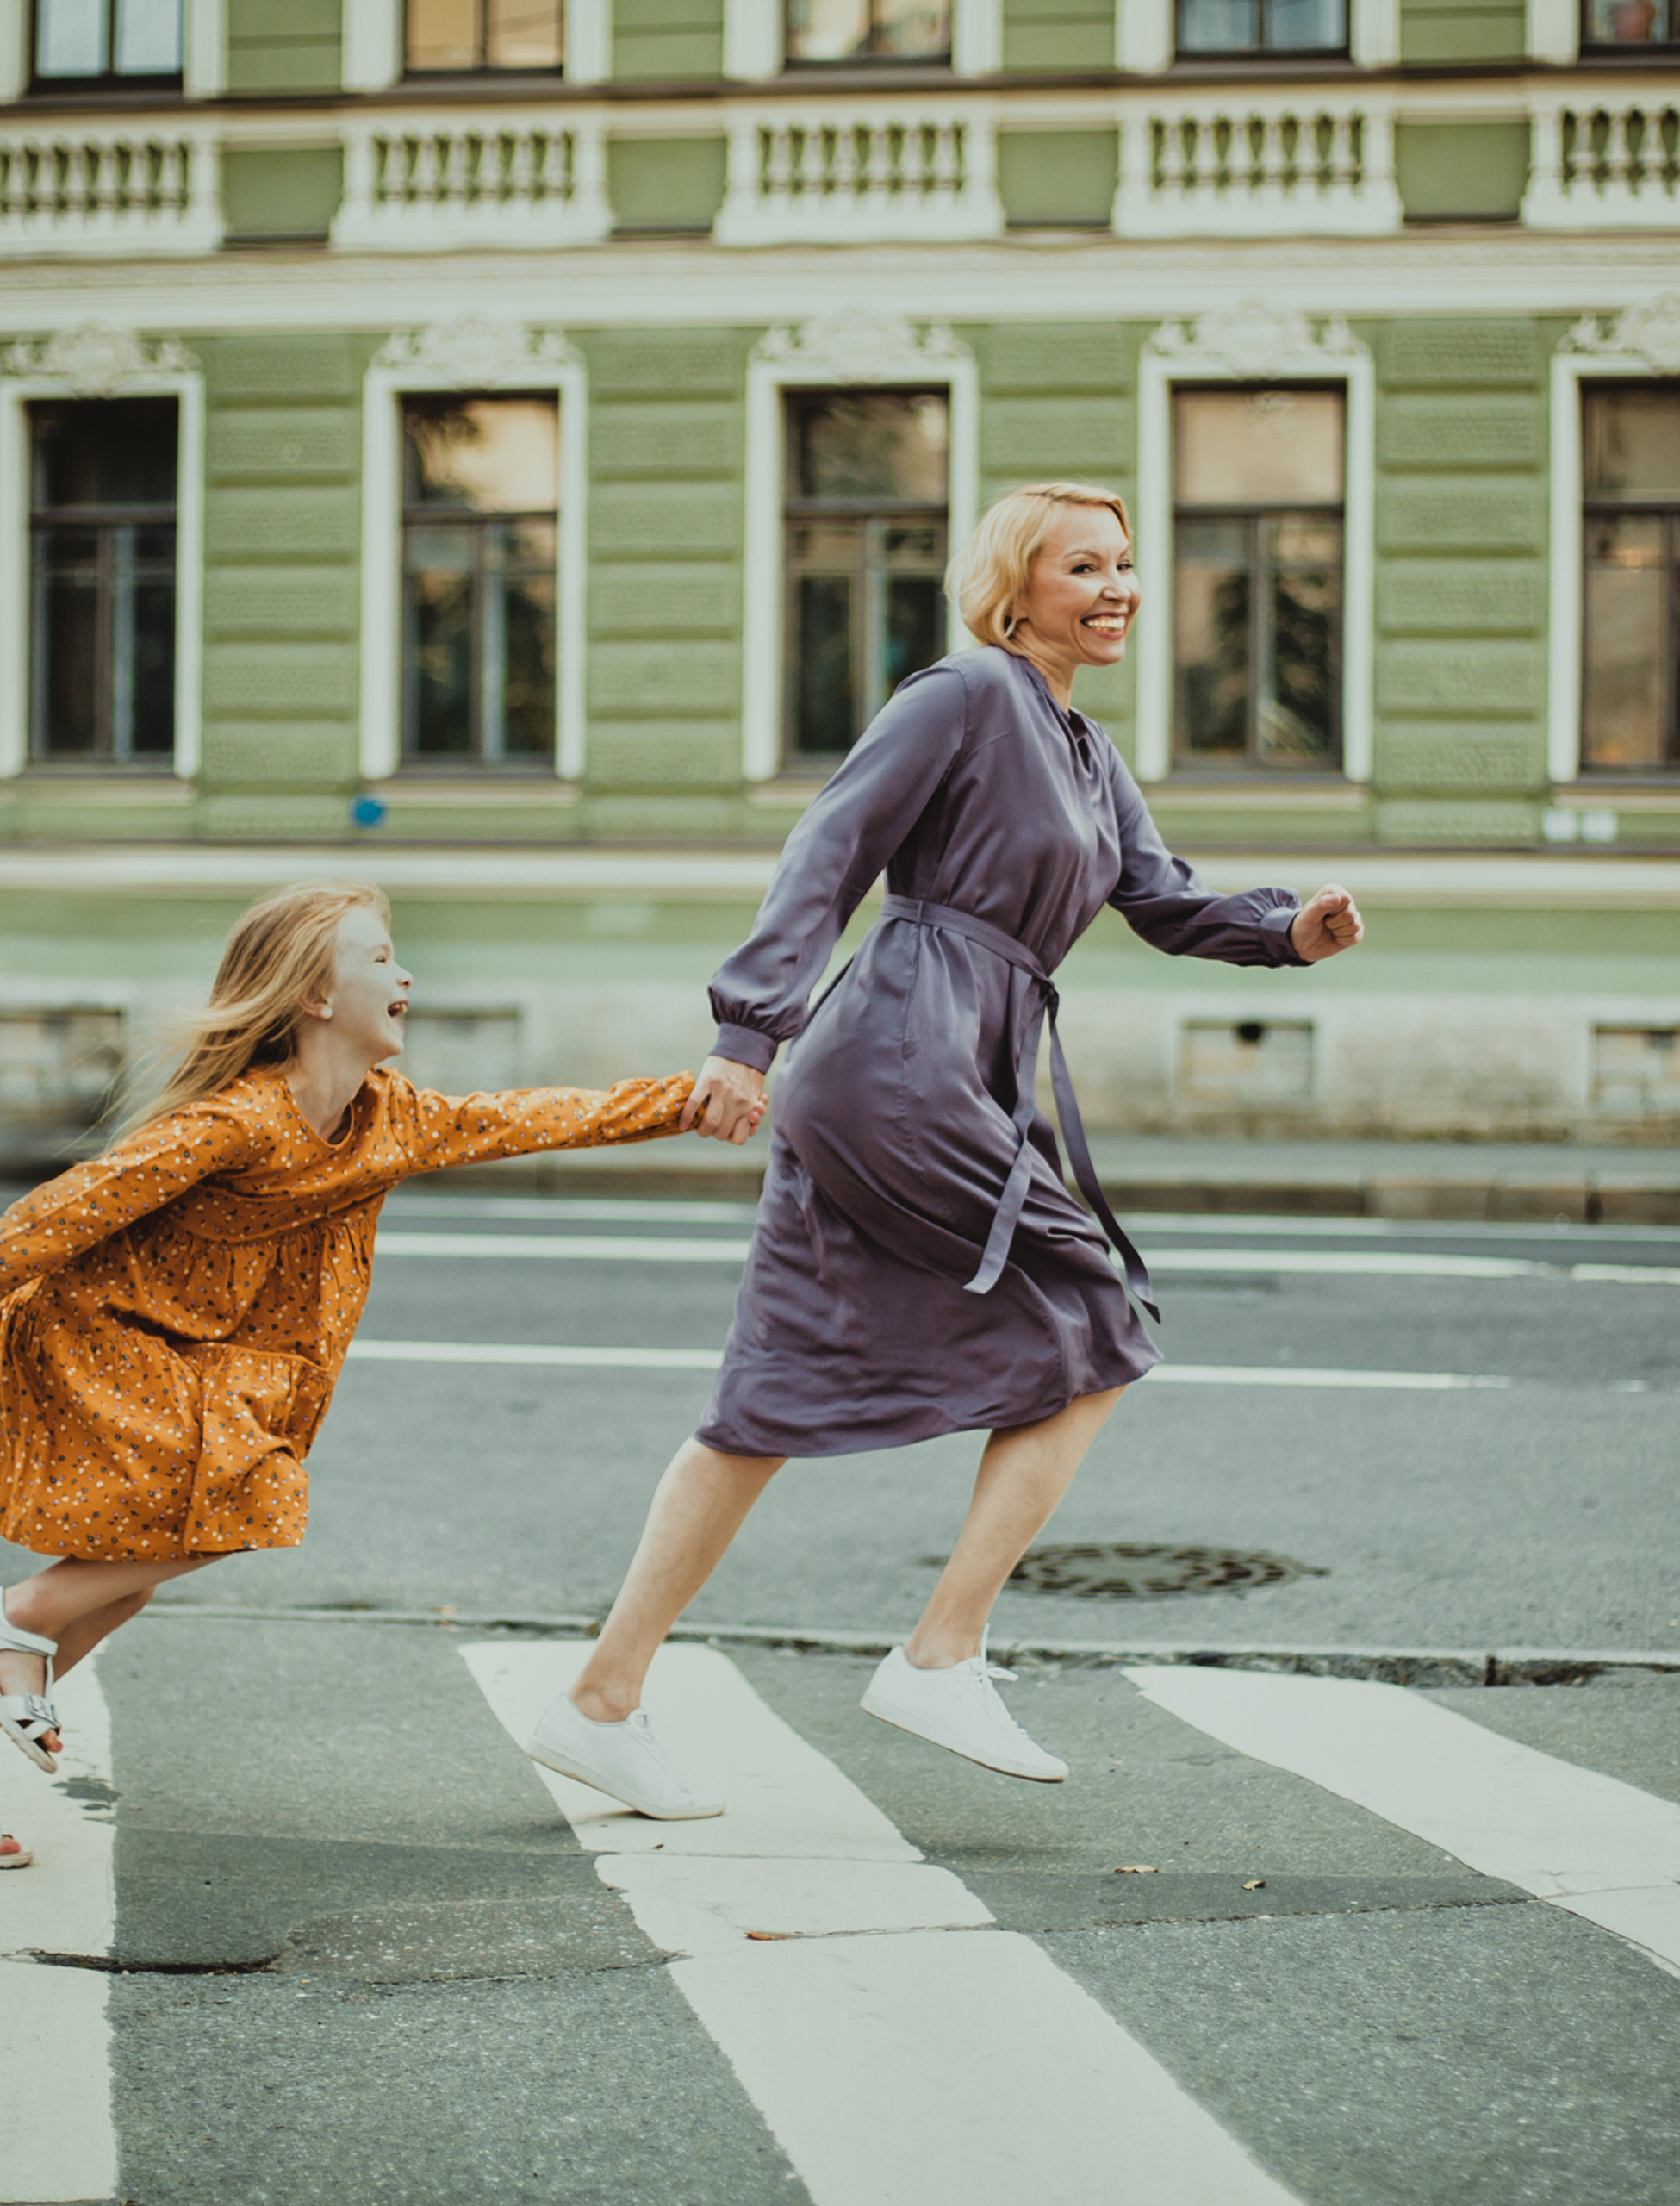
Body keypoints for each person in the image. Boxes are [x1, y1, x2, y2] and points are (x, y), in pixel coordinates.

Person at [527, 483, 1363, 1821]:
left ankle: (600, 1699)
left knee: (767, 1395)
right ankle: (941, 1652)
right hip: (899, 1058)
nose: (1117, 588)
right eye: (1082, 564)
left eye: (1128, 565)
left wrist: (1288, 930)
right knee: (1100, 1317)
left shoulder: (1088, 753)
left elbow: (1163, 898)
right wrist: (747, 1034)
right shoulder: (963, 695)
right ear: (1013, 583)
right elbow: (832, 845)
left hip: (945, 1058)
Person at [0, 878, 709, 1868]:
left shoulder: (392, 1118)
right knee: (244, 1499)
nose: (407, 974)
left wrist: (688, 1100)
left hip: (202, 1351)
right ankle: (10, 1620)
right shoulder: (237, 1121)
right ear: (312, 994)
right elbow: (78, 1203)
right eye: (381, 957)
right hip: (99, 1333)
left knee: (118, 1584)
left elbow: (535, 1116)